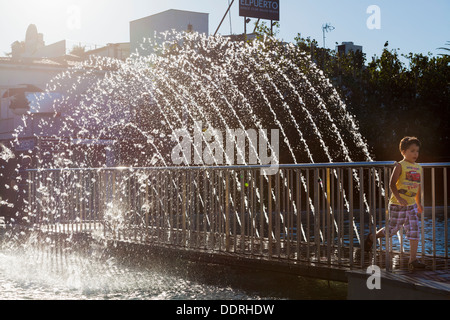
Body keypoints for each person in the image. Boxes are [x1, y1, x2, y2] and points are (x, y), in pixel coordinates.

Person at [365, 136, 426, 270]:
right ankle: (371, 237)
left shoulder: (419, 168)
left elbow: (418, 186)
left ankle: (413, 260)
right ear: (403, 152)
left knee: (415, 230)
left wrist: (419, 203)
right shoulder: (400, 165)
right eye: (412, 151)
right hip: (397, 205)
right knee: (392, 230)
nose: (415, 154)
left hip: (411, 206)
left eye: (417, 151)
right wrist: (399, 198)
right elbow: (392, 184)